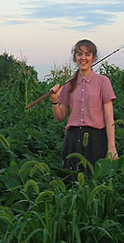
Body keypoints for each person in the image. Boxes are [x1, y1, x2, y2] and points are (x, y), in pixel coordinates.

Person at [50, 39, 118, 175]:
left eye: (87, 54)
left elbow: (109, 119)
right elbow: (60, 117)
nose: (83, 58)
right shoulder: (69, 85)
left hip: (96, 139)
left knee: (94, 180)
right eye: (79, 54)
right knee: (72, 182)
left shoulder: (103, 82)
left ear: (93, 58)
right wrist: (55, 101)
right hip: (73, 139)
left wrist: (111, 146)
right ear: (75, 57)